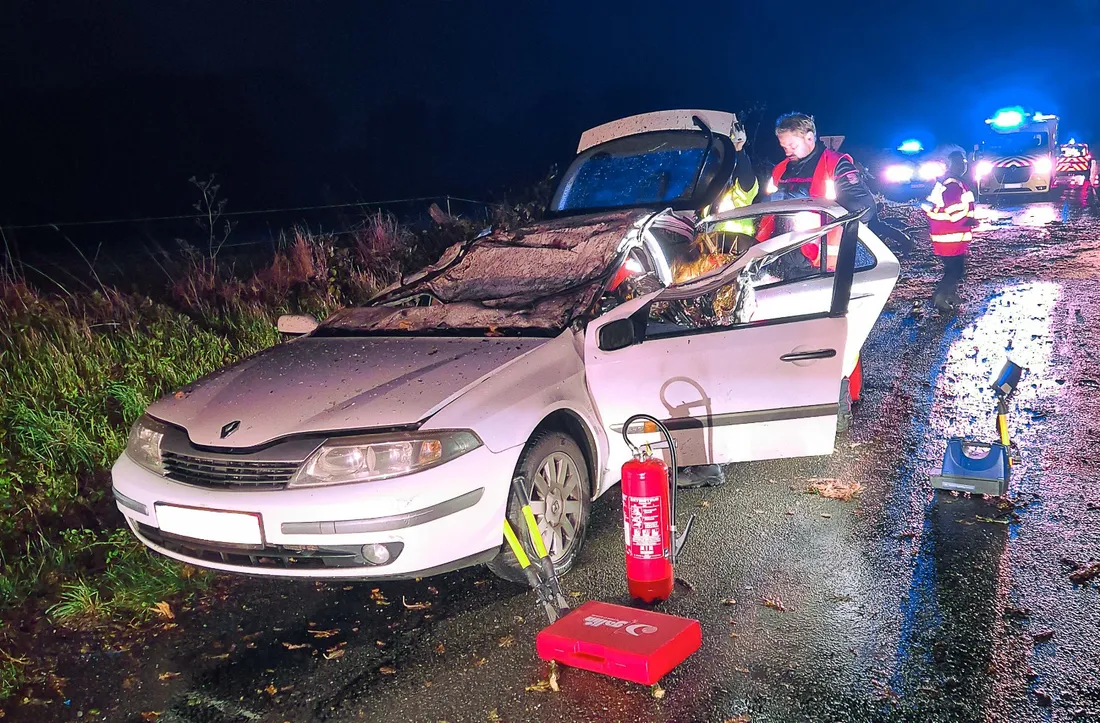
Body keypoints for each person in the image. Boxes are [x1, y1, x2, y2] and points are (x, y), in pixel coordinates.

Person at [922, 151, 977, 313]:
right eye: (960, 163)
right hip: (950, 235)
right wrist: (969, 219)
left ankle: (951, 295)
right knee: (955, 270)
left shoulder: (948, 182)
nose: (963, 166)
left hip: (946, 235)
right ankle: (940, 298)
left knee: (954, 268)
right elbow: (954, 211)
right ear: (953, 165)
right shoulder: (953, 184)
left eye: (963, 162)